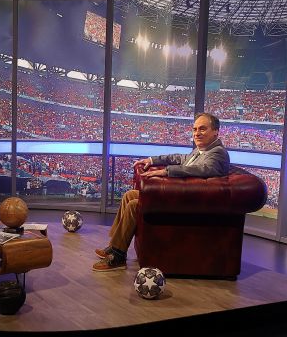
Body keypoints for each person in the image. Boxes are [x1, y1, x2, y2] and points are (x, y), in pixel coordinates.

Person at [93, 112, 230, 272]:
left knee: (134, 205)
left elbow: (201, 169)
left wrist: (166, 171)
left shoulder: (218, 153)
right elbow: (179, 158)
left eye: (202, 129)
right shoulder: (201, 150)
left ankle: (118, 256)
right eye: (195, 129)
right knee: (129, 195)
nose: (197, 133)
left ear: (215, 132)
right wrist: (152, 160)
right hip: (181, 198)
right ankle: (114, 246)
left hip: (191, 206)